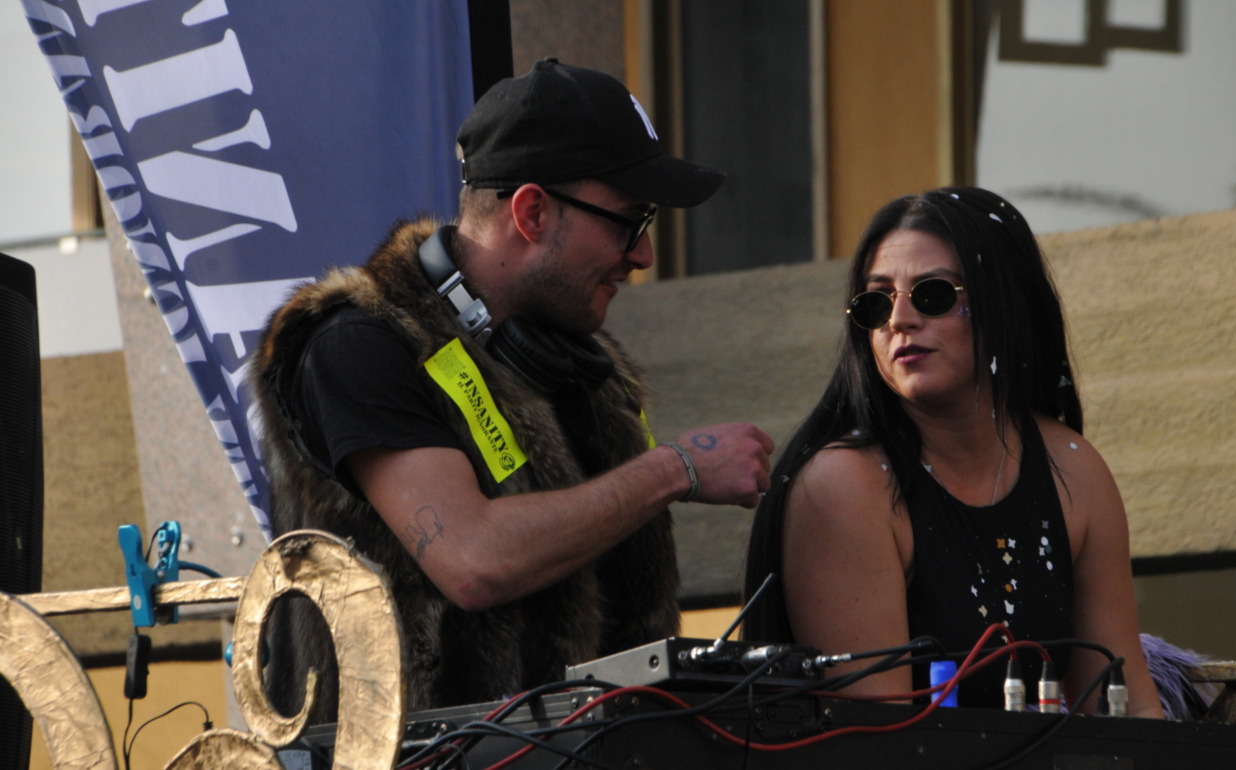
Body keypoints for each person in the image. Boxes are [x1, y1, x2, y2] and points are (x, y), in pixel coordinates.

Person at [251, 58, 774, 718]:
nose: (643, 255)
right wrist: (678, 469)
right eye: (629, 221)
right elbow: (473, 560)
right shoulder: (358, 344)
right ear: (531, 212)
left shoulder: (579, 365)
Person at [743, 187, 1162, 717]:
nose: (899, 319)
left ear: (1004, 303)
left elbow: (1126, 707)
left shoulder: (1074, 467)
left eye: (934, 294)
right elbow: (879, 739)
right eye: (877, 302)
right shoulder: (846, 484)